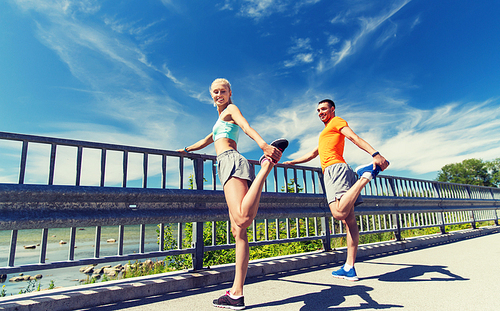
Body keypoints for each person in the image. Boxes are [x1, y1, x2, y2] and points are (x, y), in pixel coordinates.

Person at [178, 78, 288, 310]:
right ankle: (236, 293)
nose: (219, 94)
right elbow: (205, 141)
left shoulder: (231, 110)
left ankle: (266, 167)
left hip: (231, 160)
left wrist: (264, 146)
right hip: (227, 163)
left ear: (230, 93)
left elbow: (246, 126)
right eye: (215, 92)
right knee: (238, 231)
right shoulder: (218, 122)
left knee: (242, 219)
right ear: (211, 95)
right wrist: (186, 150)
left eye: (223, 91)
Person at [283, 99, 389, 281]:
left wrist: (375, 154)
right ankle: (349, 267)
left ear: (332, 109)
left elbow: (353, 137)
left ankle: (365, 176)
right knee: (350, 222)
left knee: (339, 213)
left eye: (323, 109)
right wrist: (292, 162)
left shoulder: (337, 121)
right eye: (318, 110)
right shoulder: (325, 132)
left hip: (335, 170)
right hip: (338, 170)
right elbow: (313, 154)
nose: (320, 112)